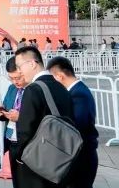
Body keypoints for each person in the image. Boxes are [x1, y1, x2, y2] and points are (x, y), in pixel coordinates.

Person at [13, 46, 75, 188]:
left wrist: (18, 156)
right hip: (61, 161)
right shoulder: (61, 87)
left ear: (32, 64)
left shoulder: (33, 90)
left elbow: (25, 131)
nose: (19, 71)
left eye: (19, 66)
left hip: (37, 165)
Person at [46, 56, 98, 188]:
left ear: (60, 76)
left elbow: (76, 126)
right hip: (79, 154)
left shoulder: (79, 94)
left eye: (53, 78)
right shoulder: (76, 91)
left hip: (82, 156)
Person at [0, 56, 27, 180]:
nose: (15, 82)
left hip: (26, 141)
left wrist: (20, 117)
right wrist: (0, 113)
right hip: (10, 137)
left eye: (18, 78)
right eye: (11, 78)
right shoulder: (12, 89)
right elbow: (6, 108)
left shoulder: (34, 90)